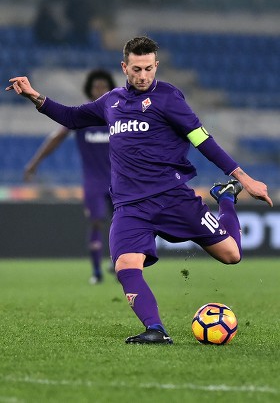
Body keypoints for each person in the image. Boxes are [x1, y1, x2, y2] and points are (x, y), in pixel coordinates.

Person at [6, 36, 273, 345]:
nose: (143, 75)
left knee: (232, 255)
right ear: (124, 67)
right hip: (131, 206)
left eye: (148, 68)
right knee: (125, 266)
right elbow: (73, 117)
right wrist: (34, 96)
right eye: (136, 69)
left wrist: (243, 177)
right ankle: (156, 330)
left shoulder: (170, 98)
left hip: (173, 198)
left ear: (156, 65)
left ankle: (226, 196)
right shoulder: (111, 101)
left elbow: (203, 140)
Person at [23, 70, 116, 284]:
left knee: (123, 222)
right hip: (93, 181)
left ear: (110, 89)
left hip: (118, 181)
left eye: (103, 86)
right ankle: (96, 273)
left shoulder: (117, 115)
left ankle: (118, 263)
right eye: (96, 86)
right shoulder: (83, 116)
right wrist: (34, 163)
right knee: (95, 222)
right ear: (90, 90)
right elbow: (56, 138)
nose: (100, 90)